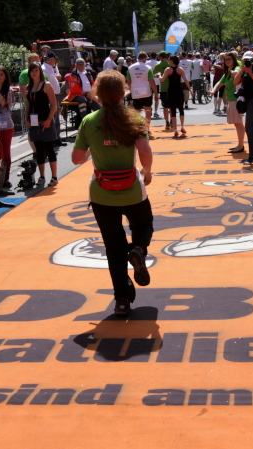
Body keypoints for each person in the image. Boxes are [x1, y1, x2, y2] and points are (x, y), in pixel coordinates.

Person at [71, 70, 154, 316]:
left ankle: (122, 300)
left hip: (102, 193)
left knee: (113, 246)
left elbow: (76, 158)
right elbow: (145, 150)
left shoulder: (89, 121)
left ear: (97, 94)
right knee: (144, 224)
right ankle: (138, 249)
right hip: (131, 189)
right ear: (123, 92)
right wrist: (147, 171)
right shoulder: (134, 118)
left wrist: (92, 150)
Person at [24, 62, 58, 187]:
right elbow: (28, 106)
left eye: (36, 70)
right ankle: (42, 176)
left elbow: (54, 105)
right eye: (32, 71)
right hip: (33, 123)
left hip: (45, 122)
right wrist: (26, 119)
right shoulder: (29, 87)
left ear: (40, 72)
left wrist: (49, 120)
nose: (34, 73)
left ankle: (54, 177)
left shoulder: (46, 85)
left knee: (49, 149)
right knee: (38, 151)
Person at [209, 51, 244, 153]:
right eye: (225, 60)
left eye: (229, 59)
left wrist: (235, 73)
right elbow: (220, 83)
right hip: (231, 100)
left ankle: (240, 146)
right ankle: (240, 144)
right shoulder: (228, 71)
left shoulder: (236, 68)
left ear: (234, 59)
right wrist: (213, 90)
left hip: (236, 99)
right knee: (237, 123)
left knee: (238, 123)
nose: (227, 61)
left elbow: (238, 72)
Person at [160, 55, 194, 138]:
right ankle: (182, 126)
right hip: (179, 90)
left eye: (169, 60)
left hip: (171, 91)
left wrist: (159, 76)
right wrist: (190, 90)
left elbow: (162, 80)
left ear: (172, 61)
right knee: (181, 109)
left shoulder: (168, 69)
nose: (168, 61)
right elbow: (185, 80)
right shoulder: (180, 69)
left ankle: (175, 129)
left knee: (173, 110)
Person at [127, 52, 158, 138]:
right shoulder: (148, 68)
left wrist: (130, 90)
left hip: (136, 92)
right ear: (144, 58)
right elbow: (152, 81)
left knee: (137, 112)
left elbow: (128, 81)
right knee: (148, 110)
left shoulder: (130, 68)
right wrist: (156, 93)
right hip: (146, 91)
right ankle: (147, 129)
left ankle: (138, 128)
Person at [64, 58, 101, 127]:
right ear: (76, 65)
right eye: (79, 64)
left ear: (84, 65)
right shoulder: (73, 75)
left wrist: (93, 93)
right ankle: (84, 121)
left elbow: (93, 84)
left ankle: (99, 122)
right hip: (77, 95)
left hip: (89, 95)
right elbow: (74, 89)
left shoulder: (88, 74)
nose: (81, 66)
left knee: (99, 106)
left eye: (82, 64)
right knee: (82, 99)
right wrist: (86, 94)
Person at [42, 51, 66, 146]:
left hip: (55, 96)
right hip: (49, 97)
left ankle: (56, 137)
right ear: (51, 59)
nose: (55, 61)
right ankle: (52, 139)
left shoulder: (50, 68)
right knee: (52, 118)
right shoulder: (44, 69)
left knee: (56, 118)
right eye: (54, 59)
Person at [153, 52, 172, 130]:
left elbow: (153, 74)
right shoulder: (170, 64)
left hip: (163, 88)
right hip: (172, 87)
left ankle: (167, 122)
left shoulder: (158, 65)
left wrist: (158, 75)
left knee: (165, 107)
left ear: (160, 57)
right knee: (172, 106)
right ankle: (172, 120)